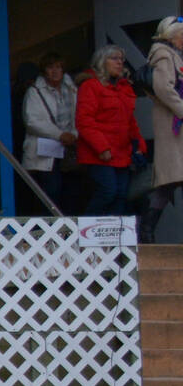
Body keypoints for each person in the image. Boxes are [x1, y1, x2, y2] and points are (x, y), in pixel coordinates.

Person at [76, 45, 145, 217]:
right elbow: (84, 121)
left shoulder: (124, 87)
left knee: (121, 196)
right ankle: (85, 233)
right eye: (114, 58)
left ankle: (115, 241)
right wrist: (102, 148)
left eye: (121, 58)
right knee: (108, 192)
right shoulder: (90, 86)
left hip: (122, 153)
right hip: (99, 154)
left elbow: (131, 122)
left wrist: (140, 146)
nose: (120, 62)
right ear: (101, 62)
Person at [20, 51, 79, 214]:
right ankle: (44, 234)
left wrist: (74, 134)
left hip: (68, 148)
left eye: (59, 67)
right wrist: (60, 135)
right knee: (50, 193)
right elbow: (32, 121)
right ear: (44, 70)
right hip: (45, 152)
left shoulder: (72, 89)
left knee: (70, 192)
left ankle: (65, 233)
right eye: (50, 67)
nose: (55, 71)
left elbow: (79, 115)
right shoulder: (35, 91)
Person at [143, 19, 183, 240]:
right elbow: (163, 88)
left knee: (169, 182)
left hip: (177, 127)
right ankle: (146, 232)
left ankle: (147, 232)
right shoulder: (163, 54)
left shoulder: (174, 54)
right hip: (173, 127)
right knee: (168, 181)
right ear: (172, 35)